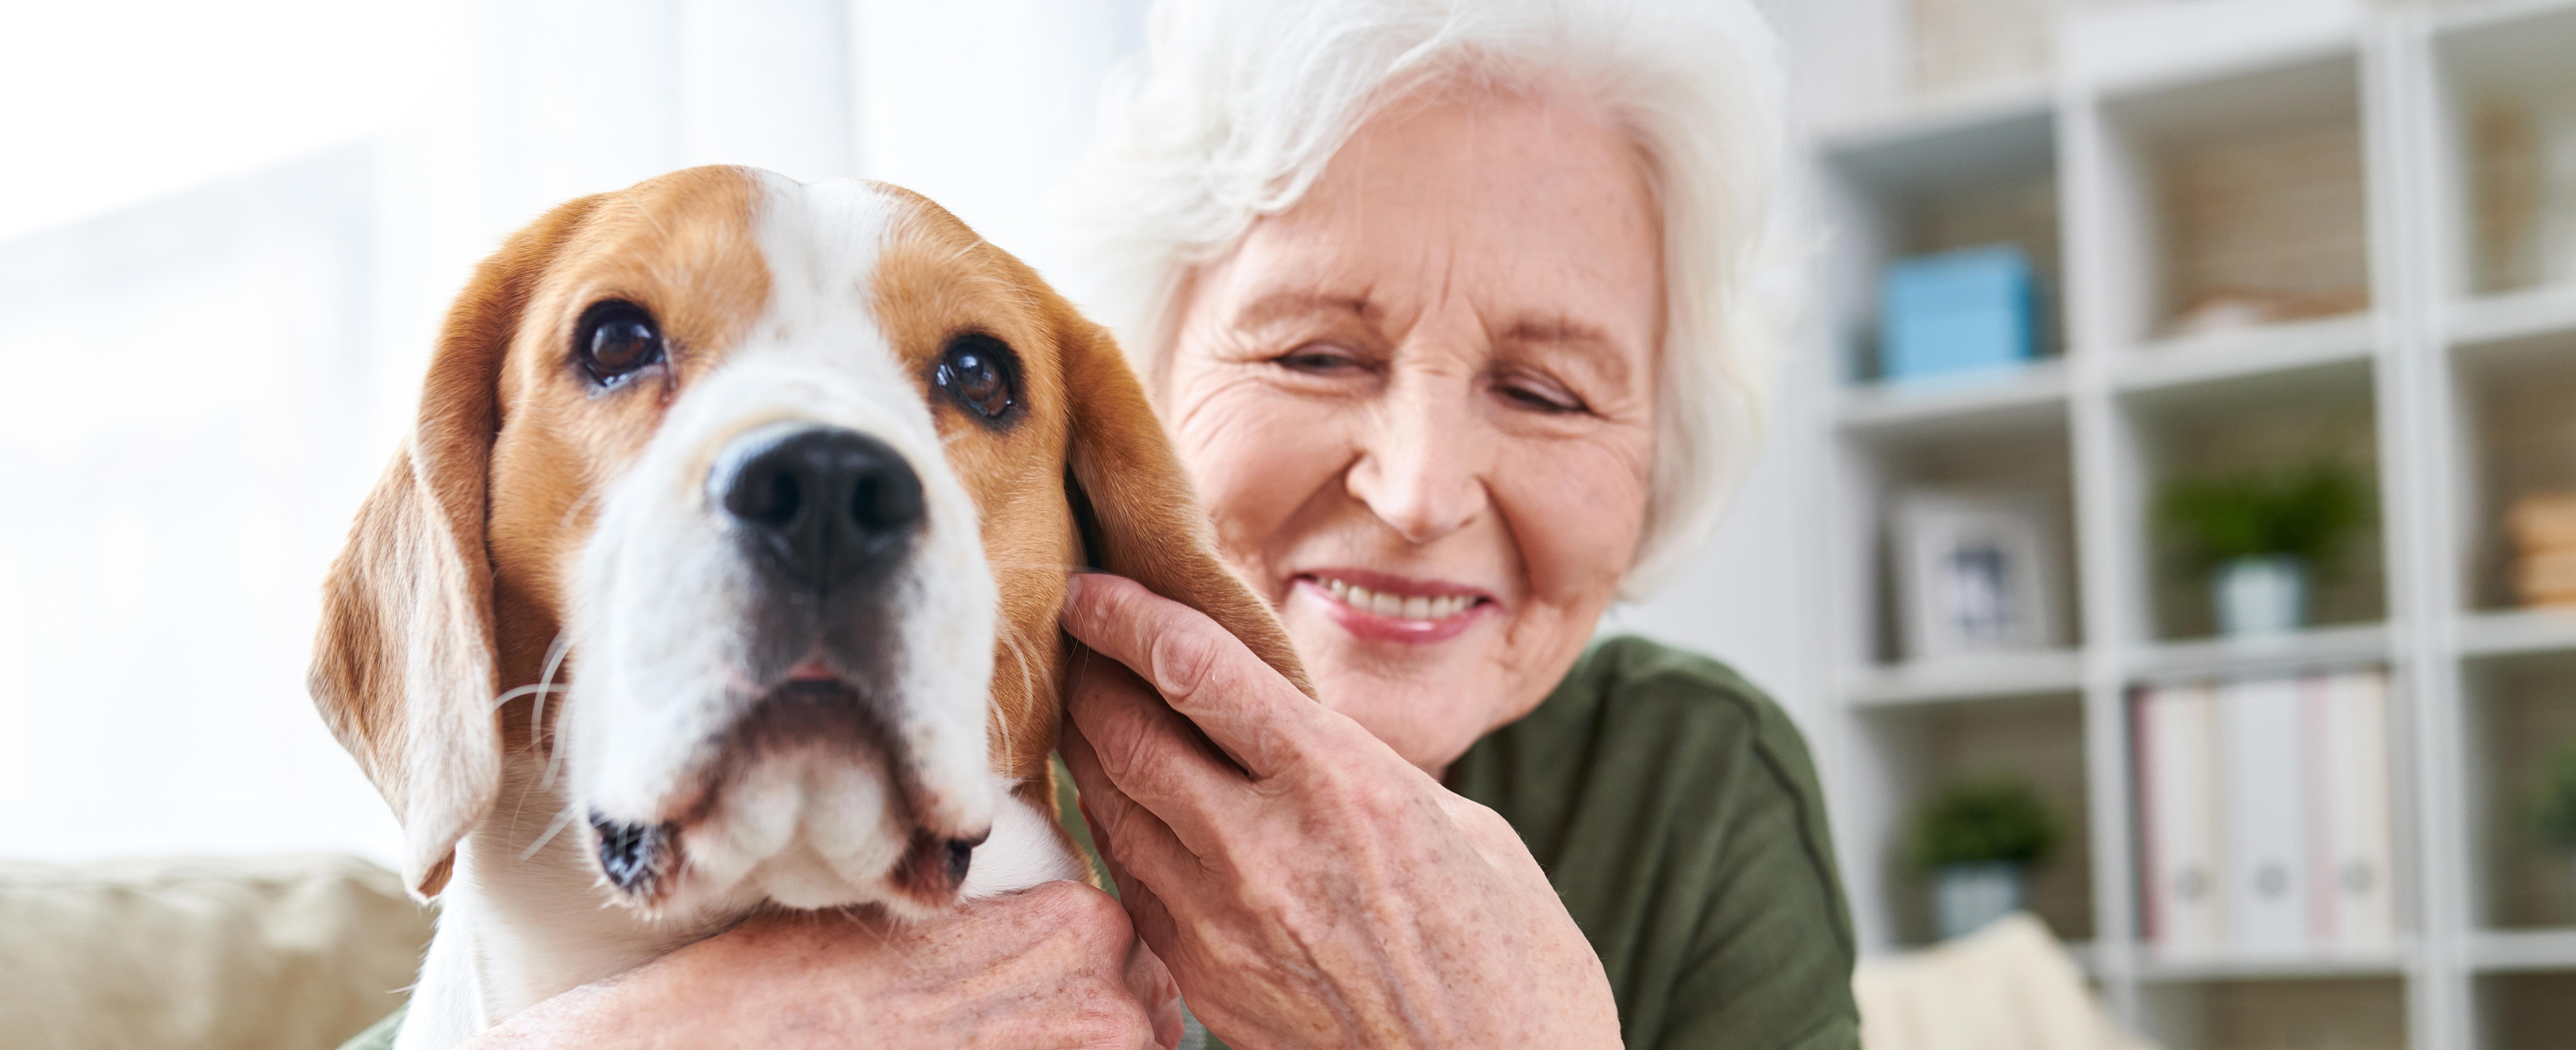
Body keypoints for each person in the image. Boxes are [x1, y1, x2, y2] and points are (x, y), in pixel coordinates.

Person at [347, 1, 1854, 1047]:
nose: (1416, 486)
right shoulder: (979, 742)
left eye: (1546, 388)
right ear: (1145, 417)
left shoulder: (1688, 786)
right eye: (1315, 353)